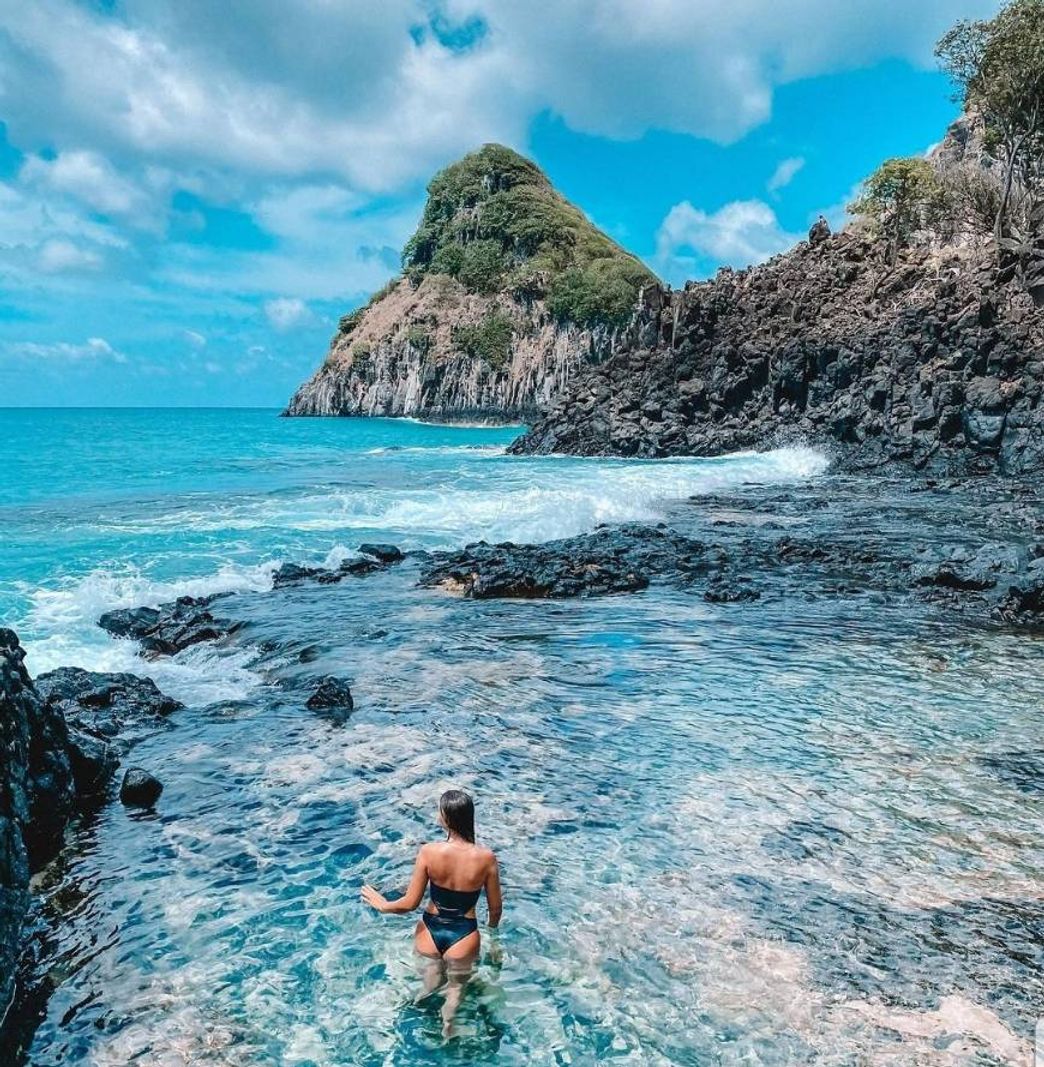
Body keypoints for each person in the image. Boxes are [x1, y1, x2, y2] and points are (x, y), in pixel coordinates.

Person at [361, 789, 502, 1037]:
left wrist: (382, 903)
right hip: (464, 936)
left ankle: (416, 1007)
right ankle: (449, 1029)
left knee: (430, 982)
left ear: (447, 818)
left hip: (429, 932)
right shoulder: (486, 857)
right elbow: (495, 908)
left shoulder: (429, 851)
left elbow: (409, 903)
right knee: (456, 990)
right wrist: (493, 939)